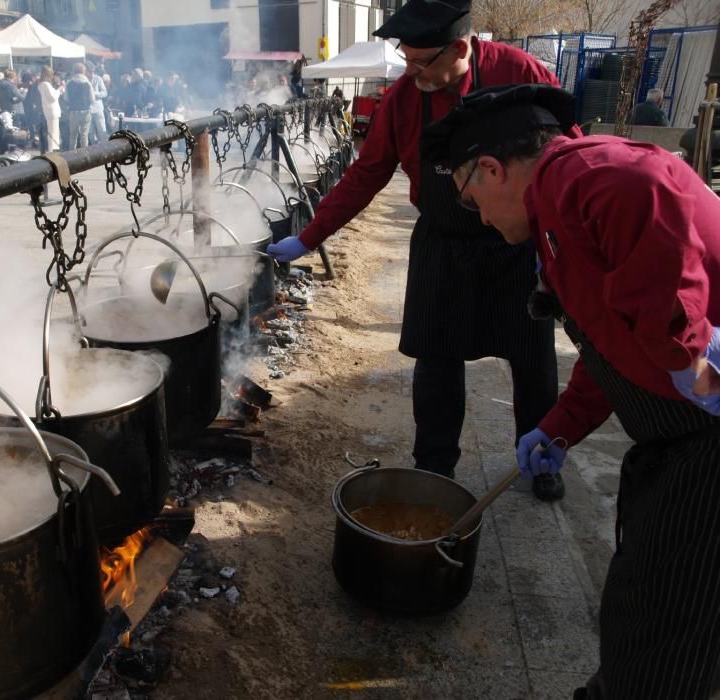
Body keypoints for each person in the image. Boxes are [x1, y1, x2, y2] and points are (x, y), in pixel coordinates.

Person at [420, 82, 720, 700]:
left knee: (667, 625)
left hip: (706, 438)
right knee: (645, 600)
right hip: (673, 442)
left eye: (471, 199)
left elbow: (652, 189)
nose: (478, 216)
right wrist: (560, 424)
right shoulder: (555, 216)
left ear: (494, 168)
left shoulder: (589, 175)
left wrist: (689, 357)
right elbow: (608, 343)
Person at [266, 0, 575, 501]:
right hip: (443, 245)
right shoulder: (406, 99)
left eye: (419, 63)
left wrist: (561, 244)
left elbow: (567, 154)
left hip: (516, 243)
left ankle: (540, 457)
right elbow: (367, 173)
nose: (409, 73)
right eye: (405, 60)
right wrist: (309, 236)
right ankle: (434, 464)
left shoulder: (518, 73)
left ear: (461, 47)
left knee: (533, 359)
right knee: (436, 361)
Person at [64, 62, 93, 150]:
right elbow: (92, 99)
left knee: (73, 135)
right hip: (86, 111)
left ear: (74, 71)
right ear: (84, 71)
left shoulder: (69, 83)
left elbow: (66, 98)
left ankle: (72, 154)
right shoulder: (88, 83)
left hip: (73, 111)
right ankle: (85, 154)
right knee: (84, 135)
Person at [38, 65, 61, 152]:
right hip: (52, 110)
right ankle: (53, 150)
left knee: (52, 132)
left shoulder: (41, 84)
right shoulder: (46, 84)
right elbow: (53, 97)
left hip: (49, 110)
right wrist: (59, 90)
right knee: (53, 132)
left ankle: (52, 149)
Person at [86, 61, 108, 144]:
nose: (91, 74)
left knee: (101, 129)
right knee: (90, 132)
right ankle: (94, 149)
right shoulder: (83, 80)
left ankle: (105, 146)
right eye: (89, 72)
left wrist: (95, 94)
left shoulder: (98, 79)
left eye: (92, 71)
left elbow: (105, 93)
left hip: (97, 108)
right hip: (87, 109)